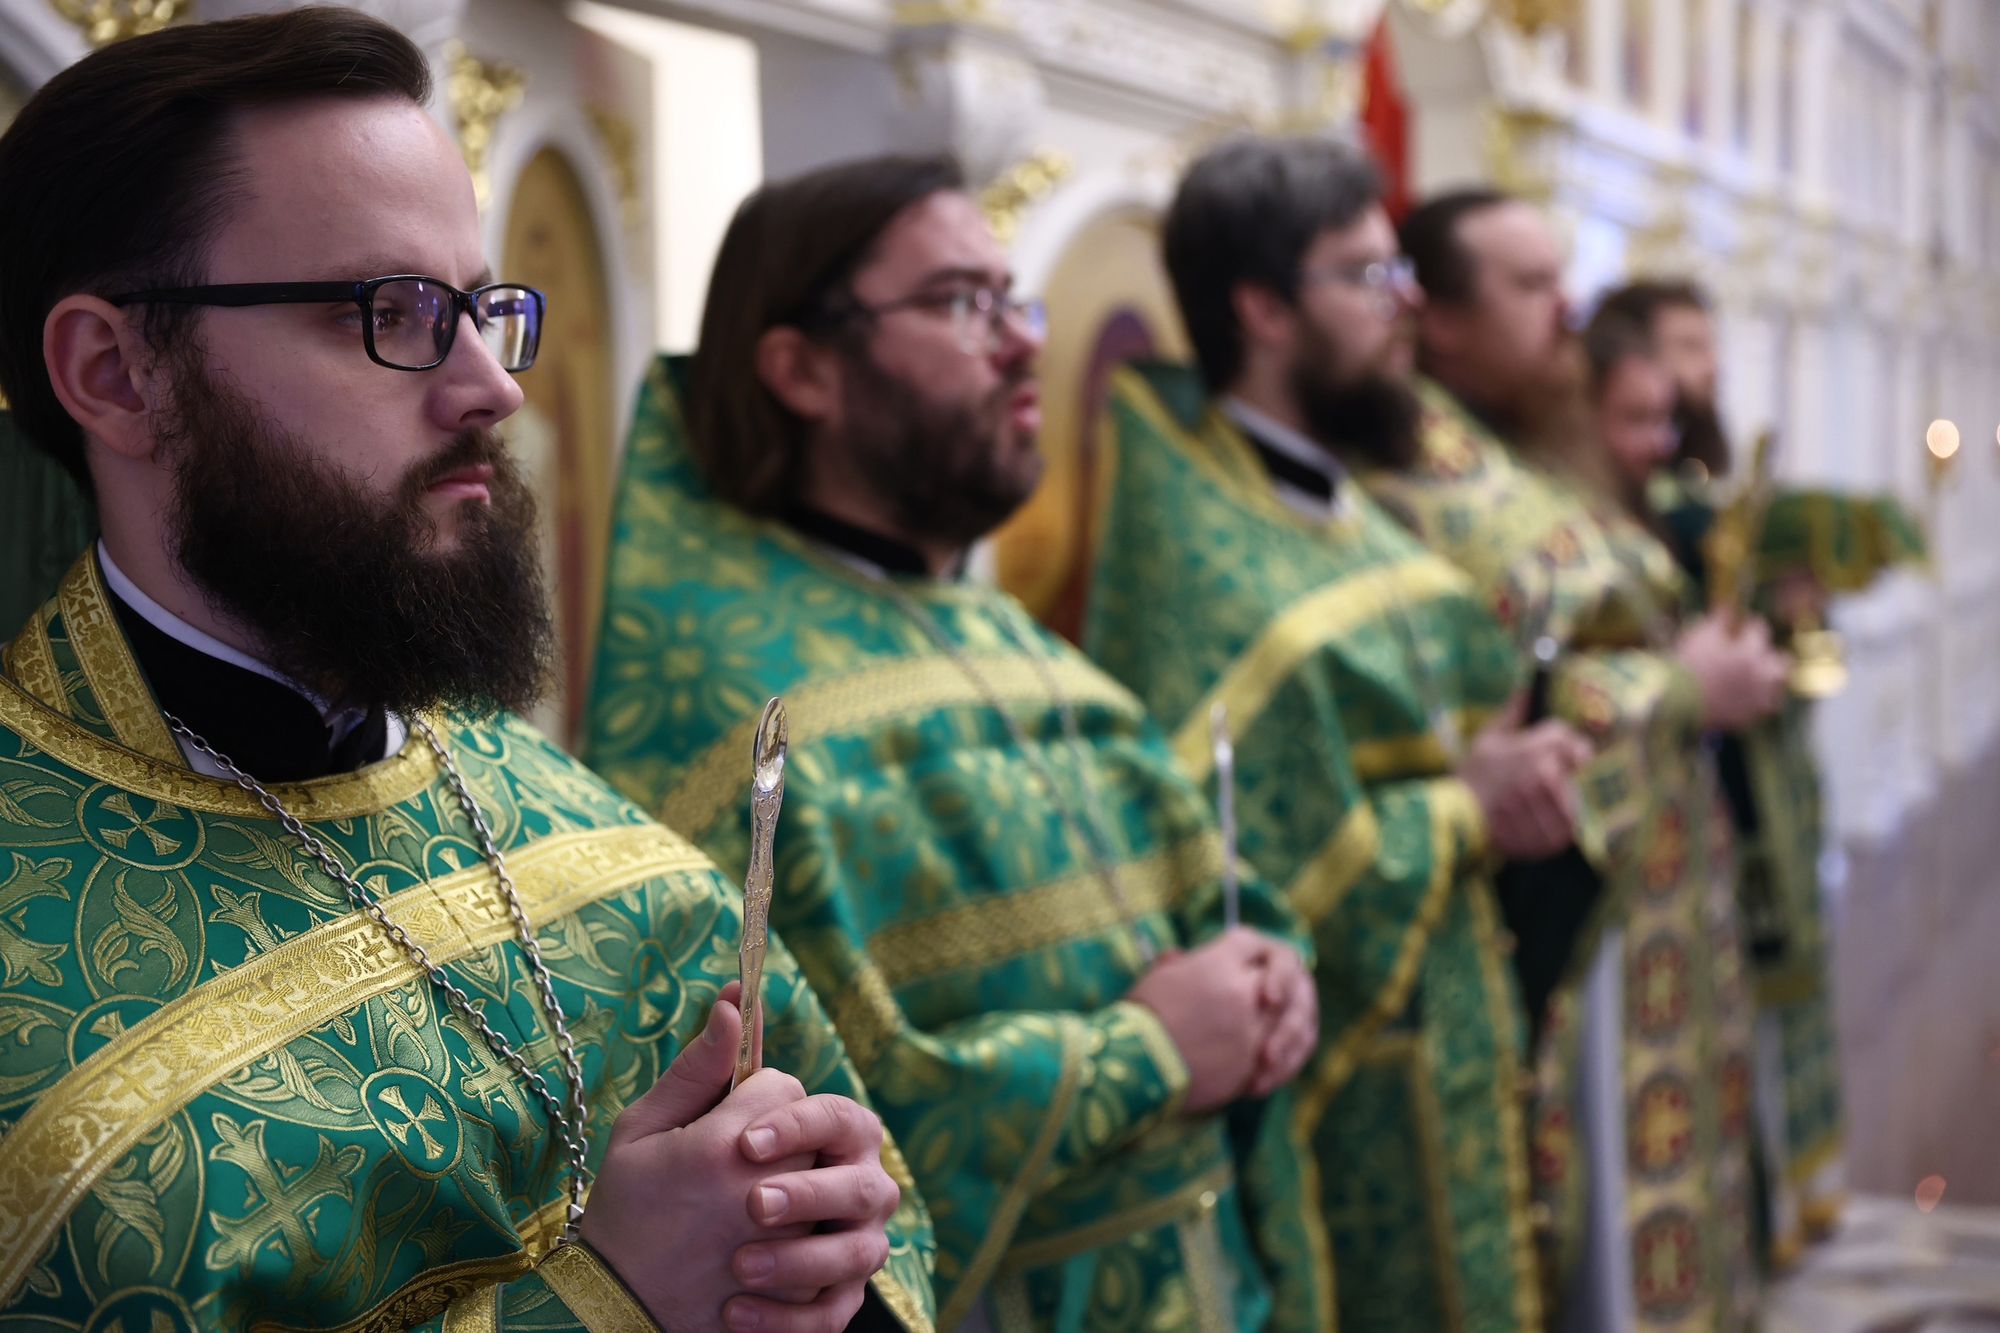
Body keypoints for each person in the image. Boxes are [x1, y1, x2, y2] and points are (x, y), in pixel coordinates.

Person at [0, 11, 929, 1328]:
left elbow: (871, 1232)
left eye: (485, 311)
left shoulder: (601, 850)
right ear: (115, 372)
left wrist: (816, 1247)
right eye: (394, 313)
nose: (493, 387)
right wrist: (606, 1300)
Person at [582, 154, 1322, 1330]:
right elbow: (786, 1158)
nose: (1024, 342)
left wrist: (1270, 972)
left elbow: (1207, 893)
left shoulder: (1019, 644)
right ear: (800, 368)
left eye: (1013, 298)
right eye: (960, 304)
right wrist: (1146, 1052)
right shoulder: (745, 723)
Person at [1080, 135, 1591, 1332]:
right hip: (1341, 1093)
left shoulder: (1329, 492)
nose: (1403, 305)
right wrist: (1468, 802)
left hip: (1455, 1021)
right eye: (1365, 277)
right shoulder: (1201, 557)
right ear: (1259, 306)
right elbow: (1252, 875)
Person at [1358, 190, 1792, 1330]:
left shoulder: (1503, 452)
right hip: (1554, 915)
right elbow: (1504, 689)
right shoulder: (1401, 469)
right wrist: (1685, 687)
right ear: (1434, 316)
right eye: (1529, 285)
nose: (1570, 313)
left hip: (1639, 896)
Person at [1588, 281, 1916, 1265]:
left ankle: (1770, 1206)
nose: (1708, 369)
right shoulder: (1635, 517)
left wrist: (1788, 620)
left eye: (1706, 345)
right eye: (1683, 345)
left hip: (1754, 783)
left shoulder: (1708, 496)